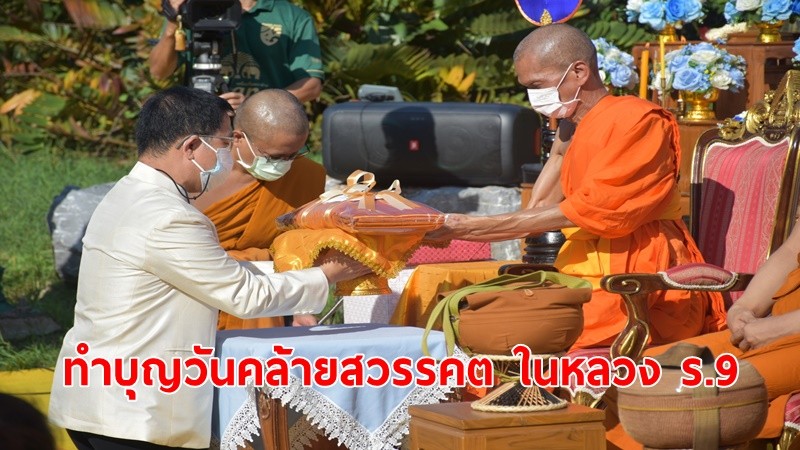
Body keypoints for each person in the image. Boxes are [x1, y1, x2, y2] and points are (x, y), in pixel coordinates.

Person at [48, 86, 369, 450]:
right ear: (190, 147)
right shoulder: (171, 217)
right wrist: (327, 274)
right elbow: (245, 296)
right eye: (220, 144)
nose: (227, 156)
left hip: (100, 398)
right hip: (135, 410)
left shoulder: (126, 193)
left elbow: (226, 276)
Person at [427, 23, 728, 350]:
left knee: (520, 338)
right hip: (580, 266)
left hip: (636, 269)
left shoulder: (639, 120)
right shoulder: (571, 126)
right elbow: (538, 210)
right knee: (470, 319)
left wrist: (471, 228)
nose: (532, 97)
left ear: (580, 72)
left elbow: (594, 209)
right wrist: (455, 228)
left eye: (537, 85)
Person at [606, 219, 800, 448]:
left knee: (687, 391)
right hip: (772, 325)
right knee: (637, 375)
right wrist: (744, 307)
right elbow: (791, 251)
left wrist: (777, 328)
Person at [192, 88, 326, 329]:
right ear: (239, 137)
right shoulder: (194, 172)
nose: (285, 164)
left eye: (294, 155)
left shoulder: (305, 176)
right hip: (196, 294)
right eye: (275, 157)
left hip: (267, 298)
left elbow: (303, 245)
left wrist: (301, 309)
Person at [149, 0, 324, 109]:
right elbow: (159, 72)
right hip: (204, 129)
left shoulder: (292, 17)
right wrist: (172, 22)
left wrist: (255, 104)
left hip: (266, 132)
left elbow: (312, 86)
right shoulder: (195, 8)